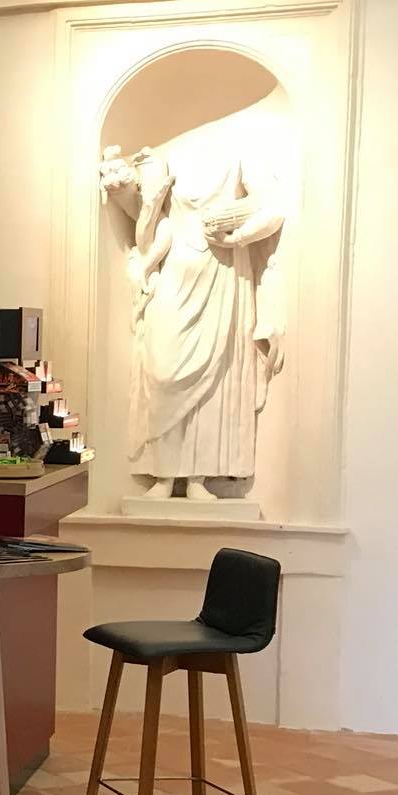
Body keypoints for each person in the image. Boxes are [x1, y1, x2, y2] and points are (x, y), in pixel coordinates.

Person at [99, 96, 289, 500]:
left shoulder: (242, 154)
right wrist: (124, 189)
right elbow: (145, 215)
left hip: (221, 274)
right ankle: (163, 474)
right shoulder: (169, 157)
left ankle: (198, 477)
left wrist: (237, 236)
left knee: (215, 374)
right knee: (162, 369)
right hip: (175, 272)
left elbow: (272, 210)